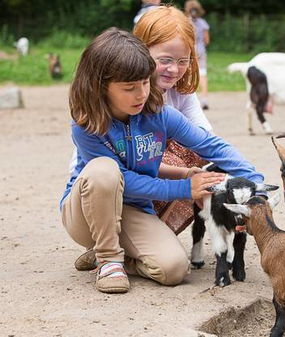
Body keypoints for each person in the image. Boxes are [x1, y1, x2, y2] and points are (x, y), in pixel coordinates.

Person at [60, 27, 264, 294]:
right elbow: (124, 179)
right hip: (86, 215)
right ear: (100, 87)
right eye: (129, 88)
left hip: (132, 211)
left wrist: (255, 182)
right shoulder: (86, 125)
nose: (141, 94)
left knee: (173, 269)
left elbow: (210, 144)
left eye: (145, 83)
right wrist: (183, 187)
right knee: (104, 171)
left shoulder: (159, 114)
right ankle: (109, 259)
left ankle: (124, 258)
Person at [133, 5, 212, 235]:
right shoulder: (128, 92)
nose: (174, 69)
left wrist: (238, 175)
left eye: (182, 61)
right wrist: (187, 176)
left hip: (153, 171)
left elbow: (206, 138)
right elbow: (131, 157)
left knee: (200, 162)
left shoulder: (181, 91)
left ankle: (158, 235)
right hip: (122, 178)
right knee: (183, 165)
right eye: (165, 60)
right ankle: (124, 236)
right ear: (142, 51)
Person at [184, 0, 210, 110]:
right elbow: (207, 40)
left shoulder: (185, 22)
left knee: (188, 74)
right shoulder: (203, 23)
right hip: (201, 50)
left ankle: (189, 99)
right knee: (202, 73)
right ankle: (204, 99)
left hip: (189, 50)